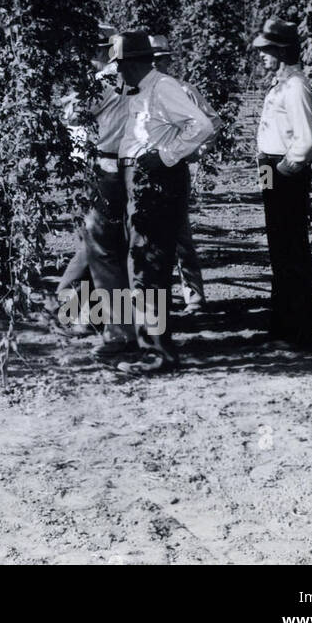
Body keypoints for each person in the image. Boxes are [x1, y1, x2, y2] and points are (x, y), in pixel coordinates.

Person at [112, 30, 215, 374]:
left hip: (155, 182)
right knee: (139, 262)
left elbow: (201, 126)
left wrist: (165, 156)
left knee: (152, 265)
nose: (118, 72)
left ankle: (160, 353)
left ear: (137, 62)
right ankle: (149, 346)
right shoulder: (139, 91)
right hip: (136, 178)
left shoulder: (164, 87)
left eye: (122, 64)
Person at [53, 24, 132, 350]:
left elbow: (72, 114)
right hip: (119, 169)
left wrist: (68, 100)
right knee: (98, 246)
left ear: (98, 52)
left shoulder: (105, 81)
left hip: (106, 169)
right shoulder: (126, 79)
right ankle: (81, 315)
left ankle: (115, 326)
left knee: (102, 250)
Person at [252, 17, 312, 348]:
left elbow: (305, 140)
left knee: (291, 249)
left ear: (280, 51)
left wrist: (285, 170)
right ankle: (281, 328)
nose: (262, 56)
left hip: (283, 171)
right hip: (270, 168)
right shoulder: (280, 84)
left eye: (267, 51)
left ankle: (298, 331)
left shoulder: (295, 87)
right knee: (278, 248)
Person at [150, 34, 224, 313]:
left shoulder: (184, 90)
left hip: (173, 169)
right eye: (151, 61)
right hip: (144, 170)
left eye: (160, 60)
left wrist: (197, 151)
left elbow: (213, 122)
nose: (156, 65)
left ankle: (193, 295)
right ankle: (156, 298)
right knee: (146, 236)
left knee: (179, 232)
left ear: (169, 60)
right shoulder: (139, 93)